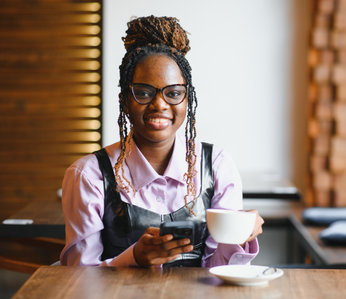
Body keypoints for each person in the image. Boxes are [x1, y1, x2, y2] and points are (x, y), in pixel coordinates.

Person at [60, 15, 264, 267]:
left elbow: (219, 271)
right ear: (125, 99)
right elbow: (78, 277)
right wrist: (133, 258)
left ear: (187, 100)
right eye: (144, 92)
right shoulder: (89, 175)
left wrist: (240, 236)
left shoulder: (217, 165)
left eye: (173, 93)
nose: (159, 104)